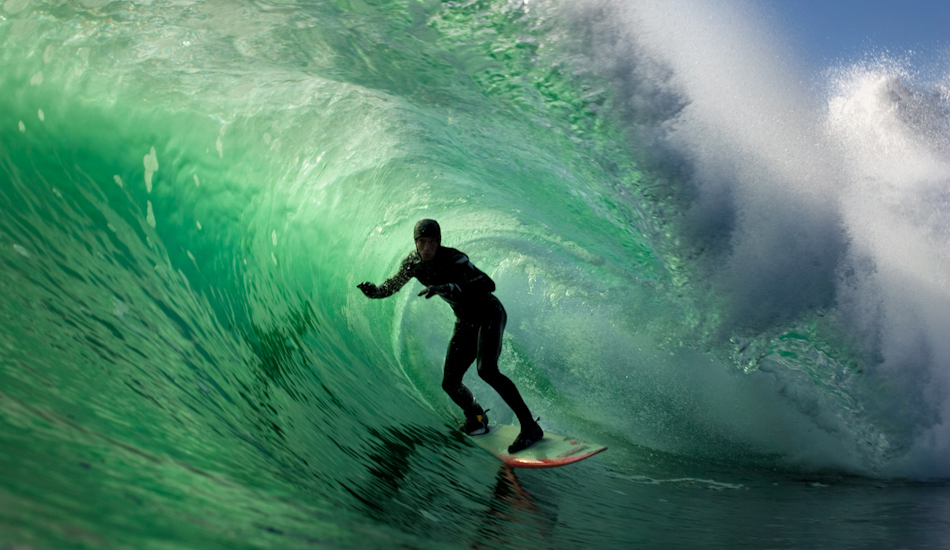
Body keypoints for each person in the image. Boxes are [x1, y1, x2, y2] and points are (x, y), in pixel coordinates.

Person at [357, 219, 544, 453]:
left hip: (488, 313)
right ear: (415, 243)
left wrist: (450, 287)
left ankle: (529, 427)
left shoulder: (455, 259)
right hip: (465, 321)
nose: (427, 248)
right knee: (450, 382)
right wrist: (374, 292)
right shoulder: (413, 264)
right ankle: (476, 418)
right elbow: (392, 286)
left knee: (487, 370)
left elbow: (489, 283)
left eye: (432, 242)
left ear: (439, 242)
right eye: (422, 242)